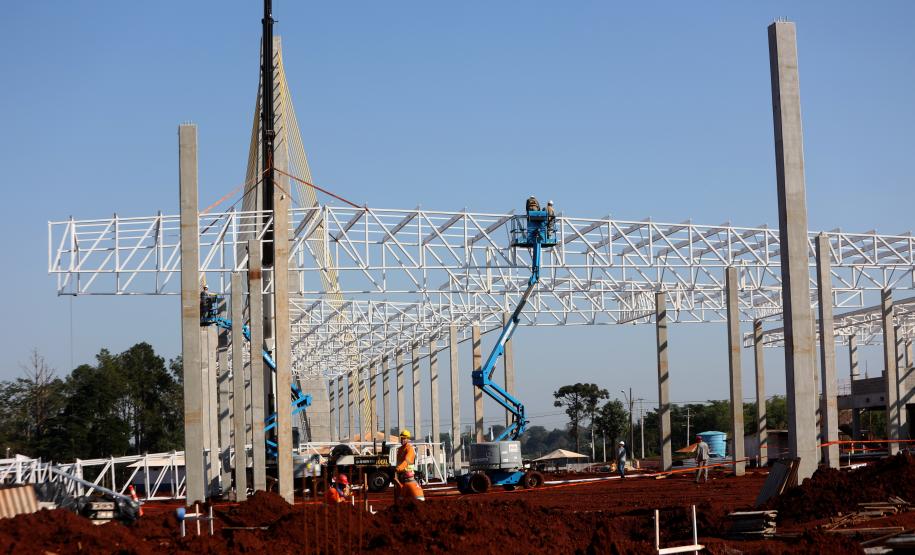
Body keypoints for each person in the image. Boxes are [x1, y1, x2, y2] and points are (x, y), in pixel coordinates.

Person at [394, 429, 425, 502]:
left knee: (419, 499)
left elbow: (406, 461)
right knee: (401, 501)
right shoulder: (401, 449)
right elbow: (399, 462)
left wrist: (398, 469)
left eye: (404, 438)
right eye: (401, 438)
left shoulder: (409, 449)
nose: (402, 440)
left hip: (409, 478)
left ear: (408, 439)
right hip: (403, 479)